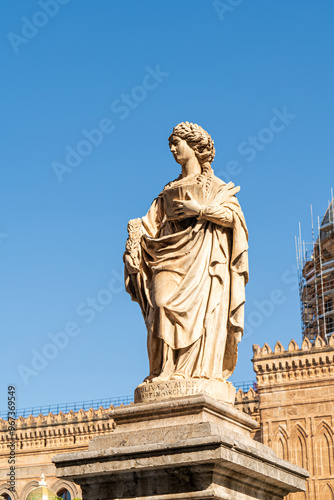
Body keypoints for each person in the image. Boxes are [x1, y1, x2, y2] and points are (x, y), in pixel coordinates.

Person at [124, 122, 248, 384]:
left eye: (176, 142)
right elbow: (151, 223)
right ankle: (163, 369)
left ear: (194, 146)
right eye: (171, 143)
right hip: (167, 253)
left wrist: (200, 210)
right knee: (161, 304)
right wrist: (134, 245)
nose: (172, 148)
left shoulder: (216, 186)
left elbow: (234, 219)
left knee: (202, 313)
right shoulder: (168, 190)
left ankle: (190, 370)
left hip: (203, 256)